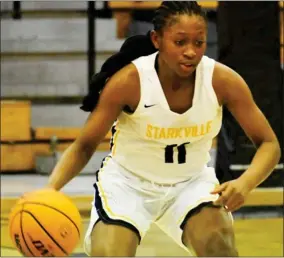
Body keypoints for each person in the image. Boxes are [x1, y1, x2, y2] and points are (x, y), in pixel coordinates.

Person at [46, 2, 281, 257]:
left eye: (199, 42)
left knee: (219, 247)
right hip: (128, 185)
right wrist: (49, 191)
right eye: (180, 42)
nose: (191, 51)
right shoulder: (129, 82)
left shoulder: (222, 81)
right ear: (157, 39)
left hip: (190, 184)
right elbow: (84, 146)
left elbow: (270, 144)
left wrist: (245, 183)